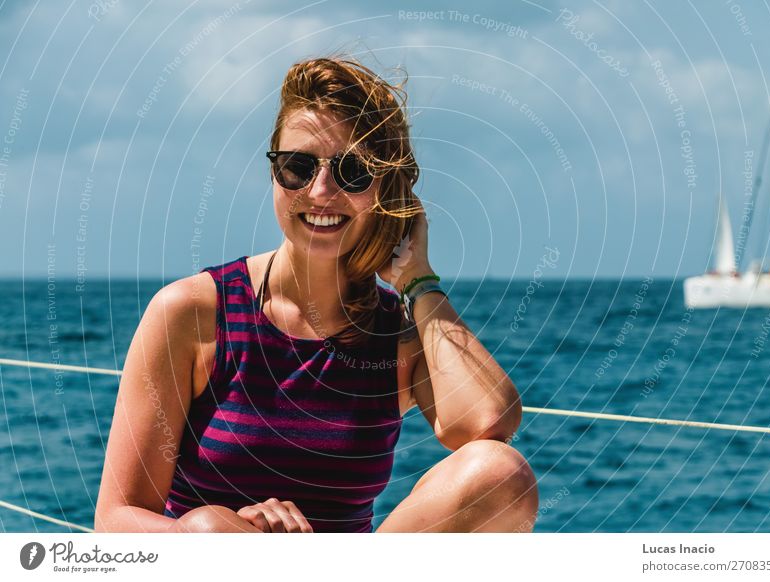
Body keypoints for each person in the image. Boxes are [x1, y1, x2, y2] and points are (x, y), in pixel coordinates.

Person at [94, 55, 537, 533]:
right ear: (273, 172)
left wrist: (418, 282)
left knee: (500, 473)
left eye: (353, 172)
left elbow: (488, 422)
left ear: (386, 192)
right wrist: (223, 535)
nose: (321, 190)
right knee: (207, 529)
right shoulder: (194, 313)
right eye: (297, 166)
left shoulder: (394, 336)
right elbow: (115, 519)